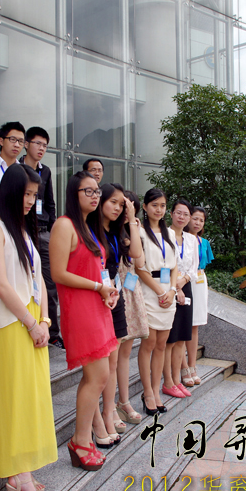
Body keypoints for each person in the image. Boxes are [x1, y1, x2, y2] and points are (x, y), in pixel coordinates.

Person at [0, 163, 57, 491]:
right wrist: (31, 322)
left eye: (34, 195)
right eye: (26, 194)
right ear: (10, 191)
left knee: (31, 400)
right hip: (10, 324)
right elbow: (0, 284)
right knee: (14, 400)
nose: (30, 201)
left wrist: (45, 321)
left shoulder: (23, 231)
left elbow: (38, 280)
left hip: (32, 323)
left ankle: (24, 471)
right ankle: (17, 474)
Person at [49, 171, 118, 470]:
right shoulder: (64, 225)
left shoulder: (89, 228)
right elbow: (58, 273)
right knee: (97, 376)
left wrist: (107, 290)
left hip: (97, 305)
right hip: (80, 308)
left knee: (99, 375)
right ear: (73, 194)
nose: (94, 196)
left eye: (96, 191)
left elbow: (96, 269)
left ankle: (83, 440)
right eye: (87, 191)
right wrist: (97, 286)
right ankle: (80, 440)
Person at [86, 183, 144, 439]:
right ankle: (97, 418)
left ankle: (109, 412)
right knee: (98, 364)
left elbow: (137, 255)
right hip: (96, 296)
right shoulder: (89, 230)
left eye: (122, 204)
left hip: (114, 297)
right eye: (113, 202)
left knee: (112, 360)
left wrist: (131, 219)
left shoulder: (117, 231)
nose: (118, 208)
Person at [136, 189, 179, 415]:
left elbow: (175, 266)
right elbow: (139, 268)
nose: (159, 209)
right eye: (154, 205)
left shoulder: (170, 233)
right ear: (145, 207)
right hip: (149, 290)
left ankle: (155, 389)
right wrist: (160, 291)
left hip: (167, 293)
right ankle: (147, 392)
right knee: (149, 343)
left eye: (162, 205)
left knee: (162, 344)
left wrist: (171, 290)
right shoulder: (140, 232)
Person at [19, 126, 61, 349]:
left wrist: (52, 228)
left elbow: (50, 203)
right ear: (26, 144)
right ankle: (27, 324)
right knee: (25, 278)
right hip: (24, 230)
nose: (41, 148)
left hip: (43, 231)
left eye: (45, 145)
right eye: (37, 143)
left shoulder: (46, 172)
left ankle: (52, 332)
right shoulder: (17, 170)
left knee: (49, 281)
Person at [115, 191, 149, 426]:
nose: (127, 212)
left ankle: (123, 402)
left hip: (130, 289)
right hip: (114, 290)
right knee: (112, 354)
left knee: (125, 353)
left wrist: (134, 227)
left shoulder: (133, 230)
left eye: (131, 208)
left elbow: (140, 261)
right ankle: (111, 405)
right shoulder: (109, 230)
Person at [161, 200, 198, 399]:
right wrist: (176, 287)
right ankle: (167, 382)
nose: (181, 217)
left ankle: (177, 380)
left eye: (185, 214)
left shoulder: (191, 239)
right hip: (168, 287)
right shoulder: (163, 234)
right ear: (172, 214)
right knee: (170, 339)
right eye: (178, 213)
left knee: (181, 338)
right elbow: (163, 265)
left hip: (186, 286)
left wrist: (183, 282)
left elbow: (194, 267)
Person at [180, 206, 213, 387]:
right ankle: (183, 367)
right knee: (183, 324)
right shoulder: (181, 238)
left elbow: (203, 265)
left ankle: (192, 366)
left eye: (201, 220)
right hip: (184, 280)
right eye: (195, 218)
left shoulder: (204, 243)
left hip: (199, 281)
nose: (198, 223)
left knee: (195, 325)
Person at [0, 121, 26, 215]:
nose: (17, 145)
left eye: (20, 141)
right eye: (12, 139)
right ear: (1, 141)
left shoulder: (23, 172)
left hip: (13, 222)